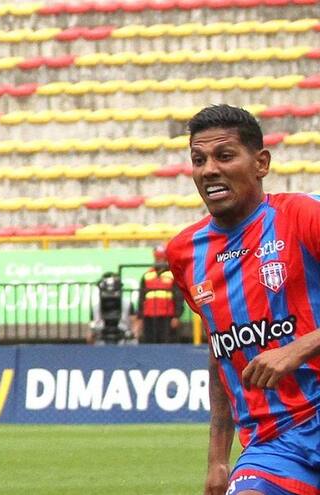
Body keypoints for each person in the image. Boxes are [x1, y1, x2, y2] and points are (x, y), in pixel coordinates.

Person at [167, 104, 320, 495]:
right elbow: (220, 350)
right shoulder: (185, 253)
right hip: (273, 442)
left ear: (261, 163)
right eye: (198, 160)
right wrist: (218, 459)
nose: (209, 170)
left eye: (225, 156)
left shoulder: (303, 216)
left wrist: (301, 347)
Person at [135, 246, 183, 343]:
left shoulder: (172, 275)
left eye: (161, 258)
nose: (159, 261)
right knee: (149, 344)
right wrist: (140, 317)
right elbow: (141, 297)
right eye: (157, 258)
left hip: (167, 317)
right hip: (149, 316)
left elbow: (179, 297)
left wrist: (176, 316)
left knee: (166, 344)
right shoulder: (147, 275)